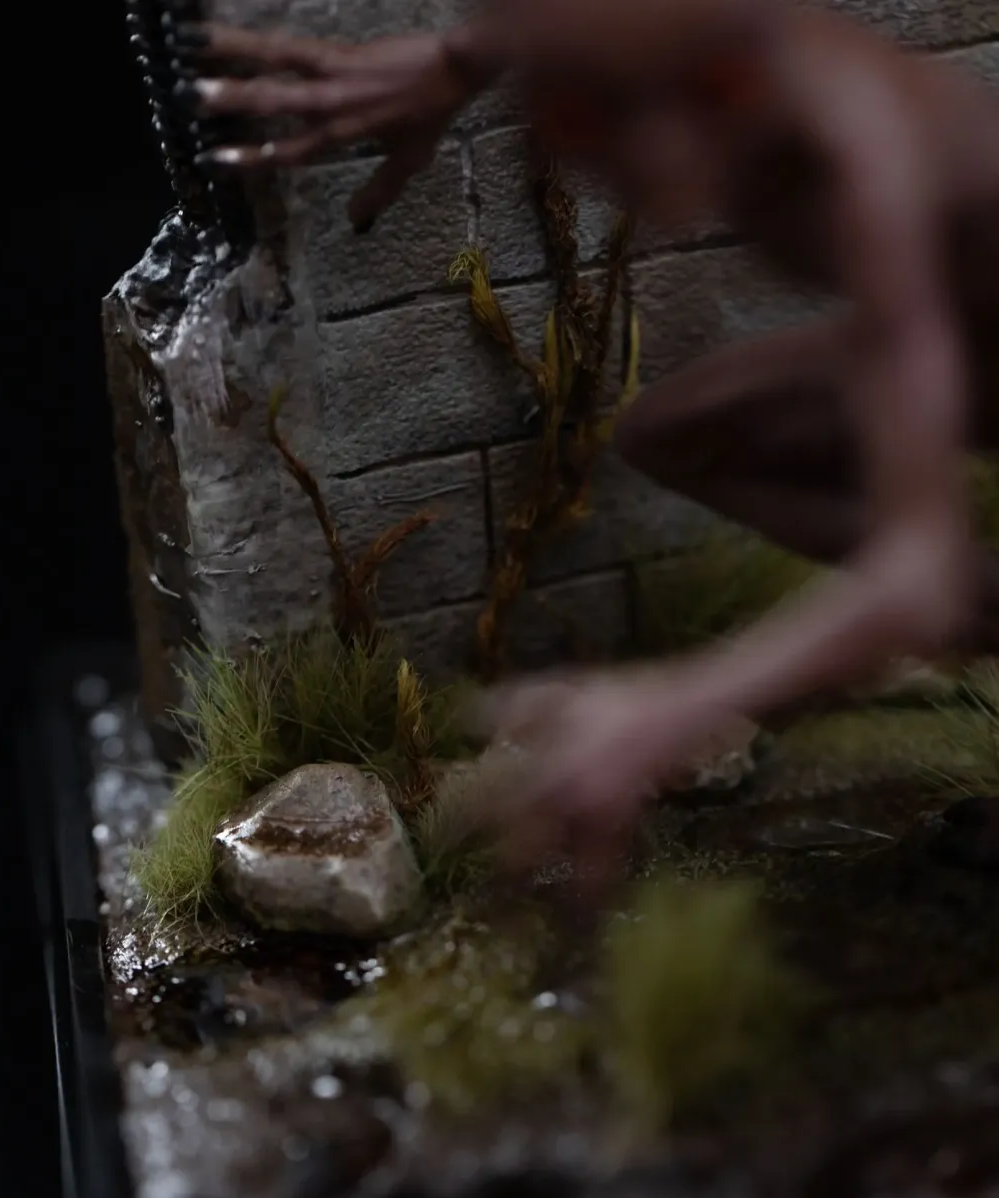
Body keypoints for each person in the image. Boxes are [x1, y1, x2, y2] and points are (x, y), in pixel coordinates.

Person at [182, 0, 999, 884]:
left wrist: (672, 704)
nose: (638, 159)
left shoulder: (861, 158)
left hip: (953, 343)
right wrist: (451, 66)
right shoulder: (676, 52)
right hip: (976, 344)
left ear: (735, 77)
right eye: (574, 118)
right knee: (679, 438)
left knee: (917, 573)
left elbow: (916, 563)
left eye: (713, 94)